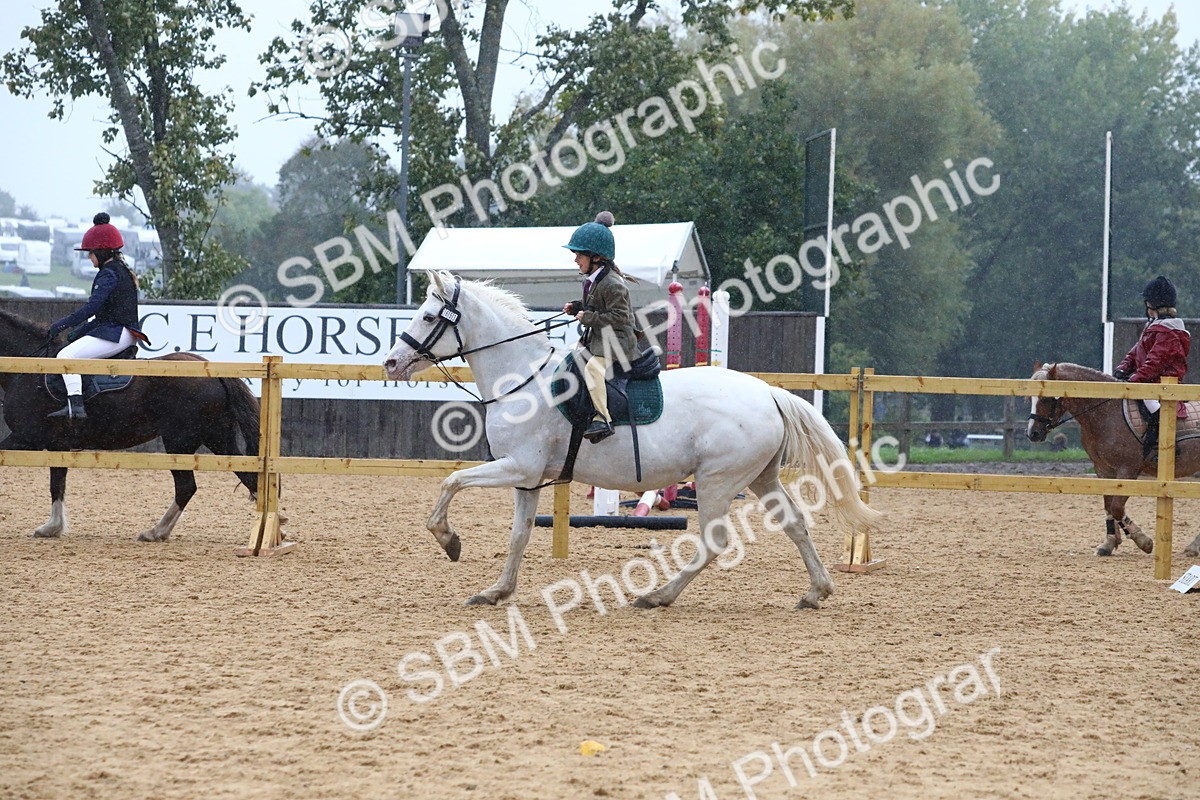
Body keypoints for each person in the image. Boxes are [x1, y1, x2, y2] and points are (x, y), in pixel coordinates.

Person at [47, 213, 146, 420]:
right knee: (72, 348)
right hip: (119, 330)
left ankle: (76, 406)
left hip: (116, 332)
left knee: (65, 357)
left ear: (102, 252)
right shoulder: (119, 269)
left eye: (91, 252)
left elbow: (92, 308)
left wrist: (62, 324)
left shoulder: (109, 273)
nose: (88, 256)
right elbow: (100, 315)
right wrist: (77, 332)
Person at [562, 211, 641, 443]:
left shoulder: (613, 283)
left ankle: (603, 419)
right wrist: (576, 307)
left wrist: (587, 317)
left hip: (618, 343)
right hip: (600, 340)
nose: (575, 259)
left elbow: (619, 316)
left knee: (593, 370)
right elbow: (595, 306)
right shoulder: (596, 278)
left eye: (579, 255)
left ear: (596, 257)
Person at [1113, 275, 1190, 460]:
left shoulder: (1169, 332)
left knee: (1153, 407)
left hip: (1161, 382)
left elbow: (1155, 361)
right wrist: (1123, 368)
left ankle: (1167, 446)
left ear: (1152, 305)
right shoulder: (1153, 327)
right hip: (1148, 379)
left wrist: (1135, 379)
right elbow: (1135, 352)